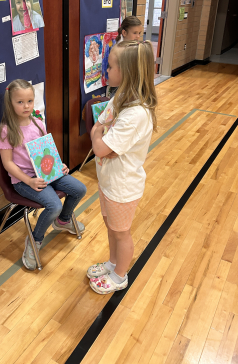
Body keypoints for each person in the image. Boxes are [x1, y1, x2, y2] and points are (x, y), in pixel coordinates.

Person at [87, 40, 157, 294]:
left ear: (127, 72)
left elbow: (101, 146)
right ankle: (113, 262)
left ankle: (119, 276)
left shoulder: (136, 113)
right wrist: (99, 132)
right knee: (111, 228)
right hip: (108, 181)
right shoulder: (120, 98)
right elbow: (101, 124)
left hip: (123, 187)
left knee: (121, 233)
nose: (106, 71)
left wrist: (97, 134)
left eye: (111, 66)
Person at [0, 79, 86, 270]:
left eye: (29, 101)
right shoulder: (5, 130)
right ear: (10, 103)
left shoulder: (38, 122)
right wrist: (29, 181)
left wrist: (59, 164)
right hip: (24, 180)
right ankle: (34, 240)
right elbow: (7, 163)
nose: (26, 106)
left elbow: (47, 150)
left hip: (47, 173)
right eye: (20, 102)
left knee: (79, 189)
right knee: (53, 206)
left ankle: (63, 221)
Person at [106, 16, 143, 98]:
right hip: (120, 89)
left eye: (139, 33)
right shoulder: (119, 50)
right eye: (135, 33)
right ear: (124, 33)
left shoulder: (135, 48)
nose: (138, 36)